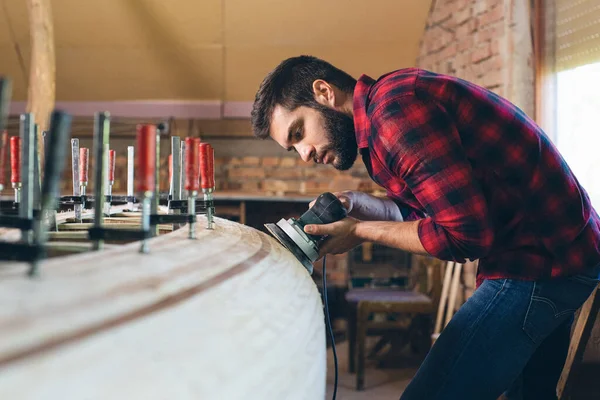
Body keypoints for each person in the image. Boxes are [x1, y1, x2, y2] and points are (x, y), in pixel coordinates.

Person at [250, 55, 600, 399]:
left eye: (299, 132)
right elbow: (422, 211)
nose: (305, 154)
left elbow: (464, 235)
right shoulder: (385, 108)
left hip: (544, 259)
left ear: (324, 92)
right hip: (566, 247)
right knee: (531, 394)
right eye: (292, 148)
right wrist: (356, 205)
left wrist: (358, 232)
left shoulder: (394, 115)